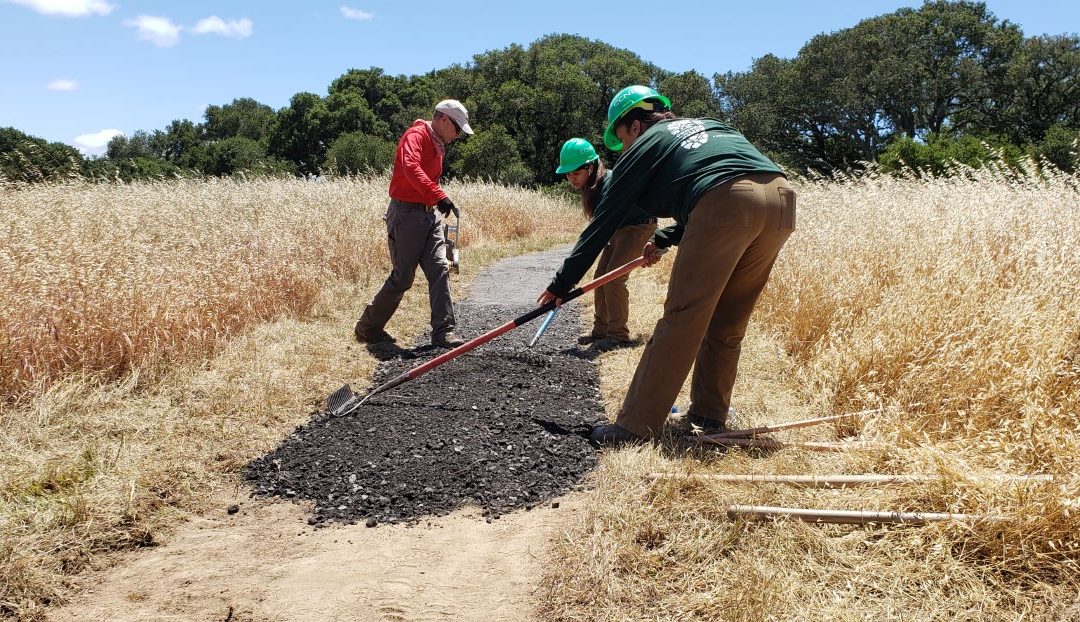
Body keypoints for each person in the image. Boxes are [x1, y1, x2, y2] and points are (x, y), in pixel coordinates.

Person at [537, 85, 796, 446]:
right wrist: (666, 236)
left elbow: (602, 224)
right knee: (728, 319)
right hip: (781, 200)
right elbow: (717, 183)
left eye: (621, 138)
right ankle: (709, 414)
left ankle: (633, 428)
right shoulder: (709, 124)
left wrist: (560, 284)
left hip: (725, 202)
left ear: (635, 127)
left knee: (683, 316)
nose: (623, 148)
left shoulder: (643, 147)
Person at [355, 99, 473, 349]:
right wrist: (439, 195)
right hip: (405, 214)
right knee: (403, 278)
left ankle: (444, 332)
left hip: (429, 215)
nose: (459, 135)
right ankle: (367, 328)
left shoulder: (439, 143)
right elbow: (411, 168)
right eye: (458, 128)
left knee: (440, 267)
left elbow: (425, 178)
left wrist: (438, 200)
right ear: (443, 119)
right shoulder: (416, 135)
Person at [555, 138, 656, 351]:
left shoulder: (607, 184)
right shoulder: (593, 187)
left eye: (576, 173)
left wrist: (565, 278)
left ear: (590, 167)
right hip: (619, 229)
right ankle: (600, 331)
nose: (572, 179)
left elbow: (594, 236)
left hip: (638, 227)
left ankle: (618, 335)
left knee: (613, 279)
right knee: (600, 278)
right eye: (568, 174)